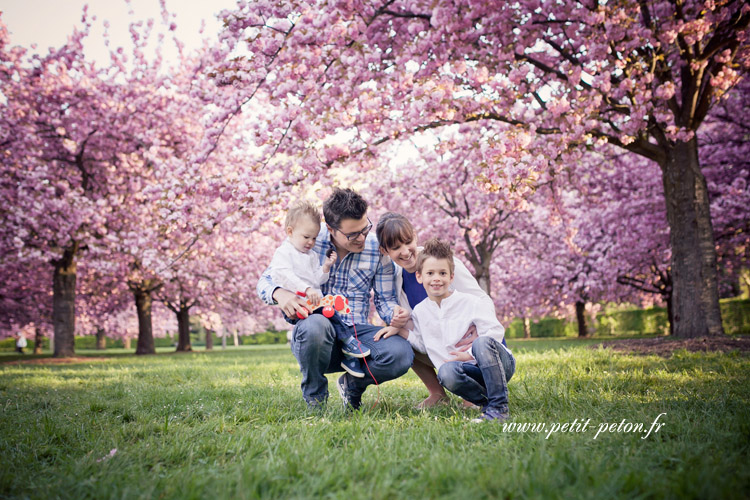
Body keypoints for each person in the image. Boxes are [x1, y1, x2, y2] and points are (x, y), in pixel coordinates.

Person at [257, 188, 413, 410]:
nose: (361, 238)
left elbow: (384, 299)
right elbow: (265, 281)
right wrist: (280, 294)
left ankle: (352, 386)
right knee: (315, 326)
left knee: (400, 354)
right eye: (352, 235)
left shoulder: (375, 248)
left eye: (364, 229)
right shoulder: (308, 241)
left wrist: (394, 314)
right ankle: (315, 400)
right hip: (320, 334)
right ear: (330, 228)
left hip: (358, 333)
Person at [375, 212, 508, 409]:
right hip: (446, 345)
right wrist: (397, 328)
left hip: (476, 343)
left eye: (407, 242)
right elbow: (415, 325)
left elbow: (482, 299)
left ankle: (475, 391)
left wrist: (478, 333)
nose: (405, 252)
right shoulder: (398, 278)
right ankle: (437, 393)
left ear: (415, 235)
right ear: (384, 251)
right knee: (400, 340)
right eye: (395, 248)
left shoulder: (439, 262)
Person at [402, 238, 515, 422]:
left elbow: (494, 331)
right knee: (446, 373)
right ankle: (487, 404)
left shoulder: (469, 301)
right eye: (430, 273)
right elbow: (424, 345)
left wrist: (471, 353)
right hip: (466, 372)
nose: (436, 278)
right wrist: (401, 332)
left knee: (482, 342)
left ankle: (499, 407)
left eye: (442, 273)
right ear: (420, 276)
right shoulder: (420, 312)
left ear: (451, 277)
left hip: (497, 364)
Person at [269, 201, 368, 378]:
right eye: (306, 237)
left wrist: (326, 268)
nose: (311, 242)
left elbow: (317, 280)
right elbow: (283, 275)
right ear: (290, 232)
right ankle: (348, 342)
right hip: (298, 303)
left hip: (312, 301)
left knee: (331, 313)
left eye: (314, 238)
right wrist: (306, 289)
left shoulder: (311, 255)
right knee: (331, 314)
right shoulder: (284, 253)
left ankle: (348, 351)